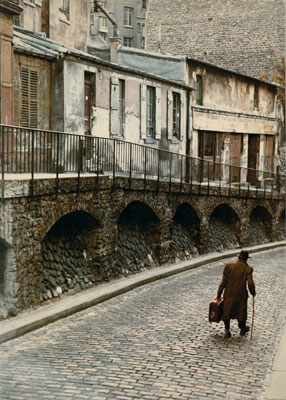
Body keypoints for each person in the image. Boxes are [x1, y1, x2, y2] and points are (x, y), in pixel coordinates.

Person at [216, 250, 256, 338]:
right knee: (241, 311)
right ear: (246, 259)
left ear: (238, 257)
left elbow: (223, 282)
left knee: (227, 310)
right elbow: (250, 283)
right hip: (241, 294)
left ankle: (227, 330)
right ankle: (242, 329)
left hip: (229, 293)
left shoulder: (228, 266)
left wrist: (219, 293)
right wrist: (253, 292)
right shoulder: (248, 269)